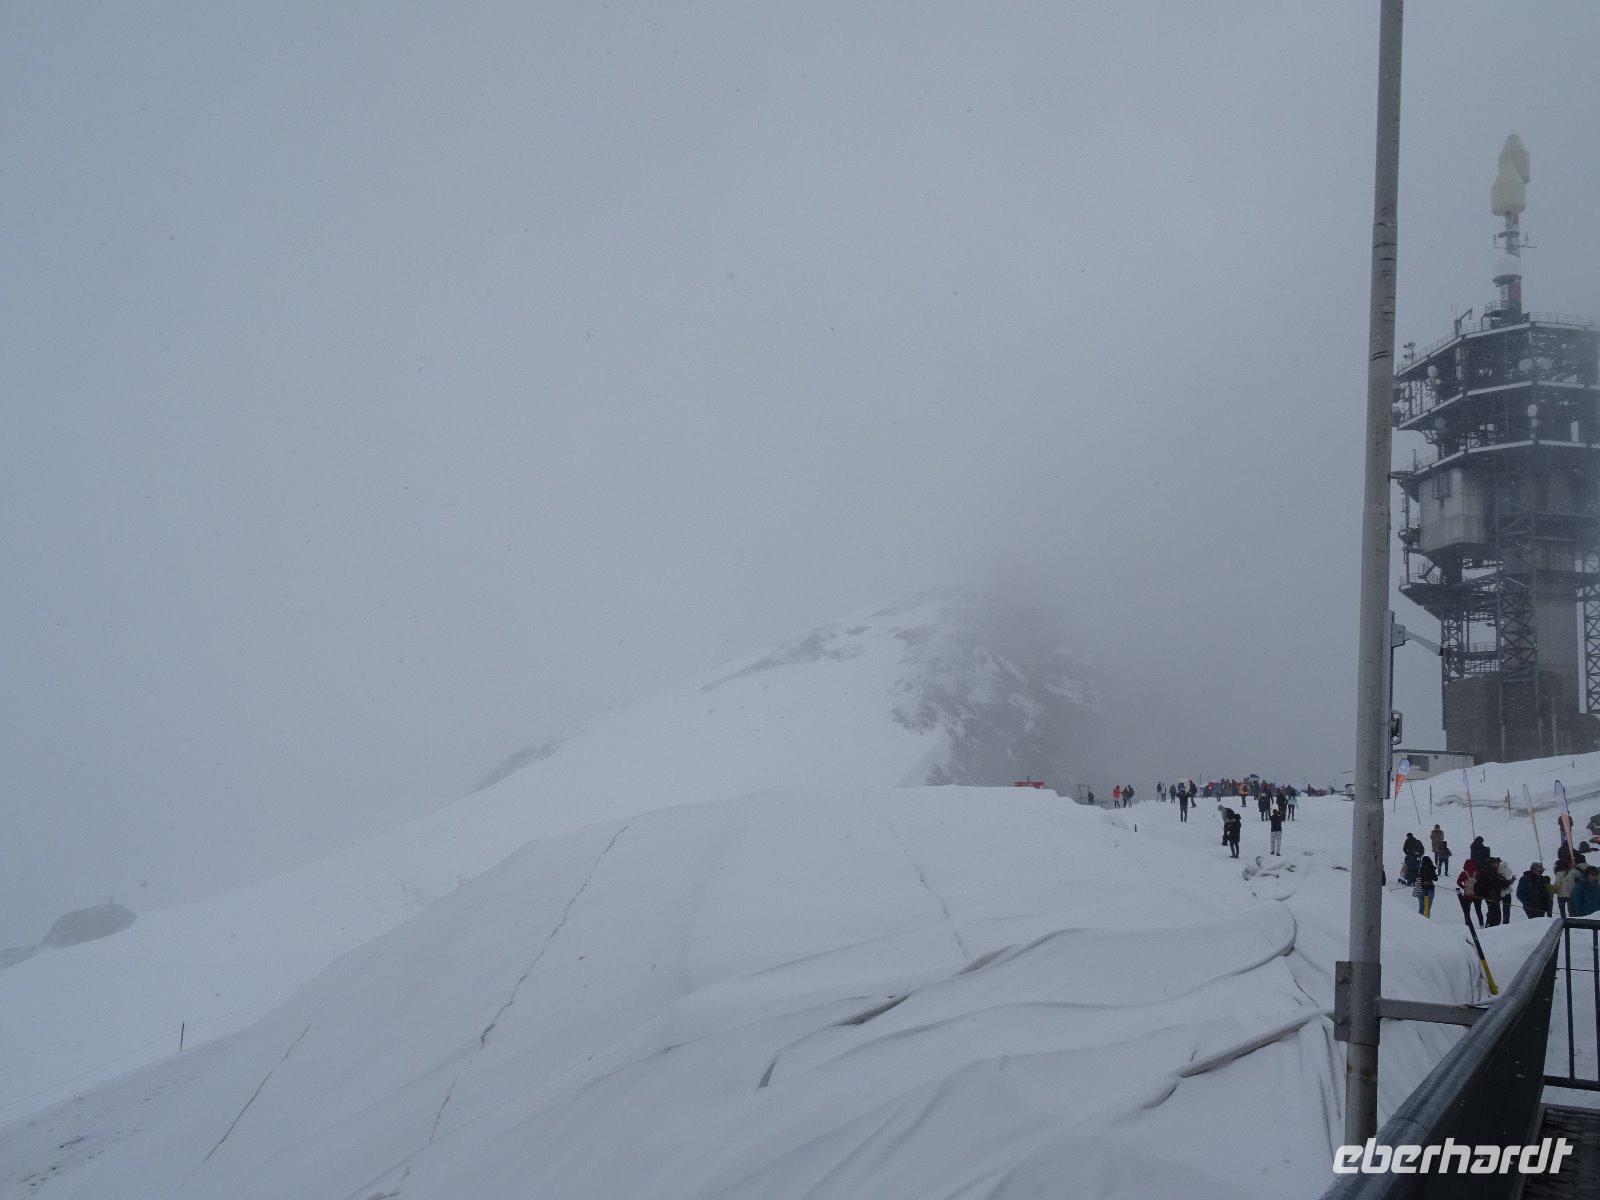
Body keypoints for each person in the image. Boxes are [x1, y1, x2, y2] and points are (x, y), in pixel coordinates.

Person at [1477, 857, 1505, 927]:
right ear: (1492, 863)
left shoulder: (1491, 871)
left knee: (1493, 914)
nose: (1498, 865)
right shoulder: (1489, 871)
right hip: (1491, 896)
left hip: (1493, 896)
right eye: (1496, 863)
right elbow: (1493, 884)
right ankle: (1490, 928)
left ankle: (1490, 927)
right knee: (1495, 915)